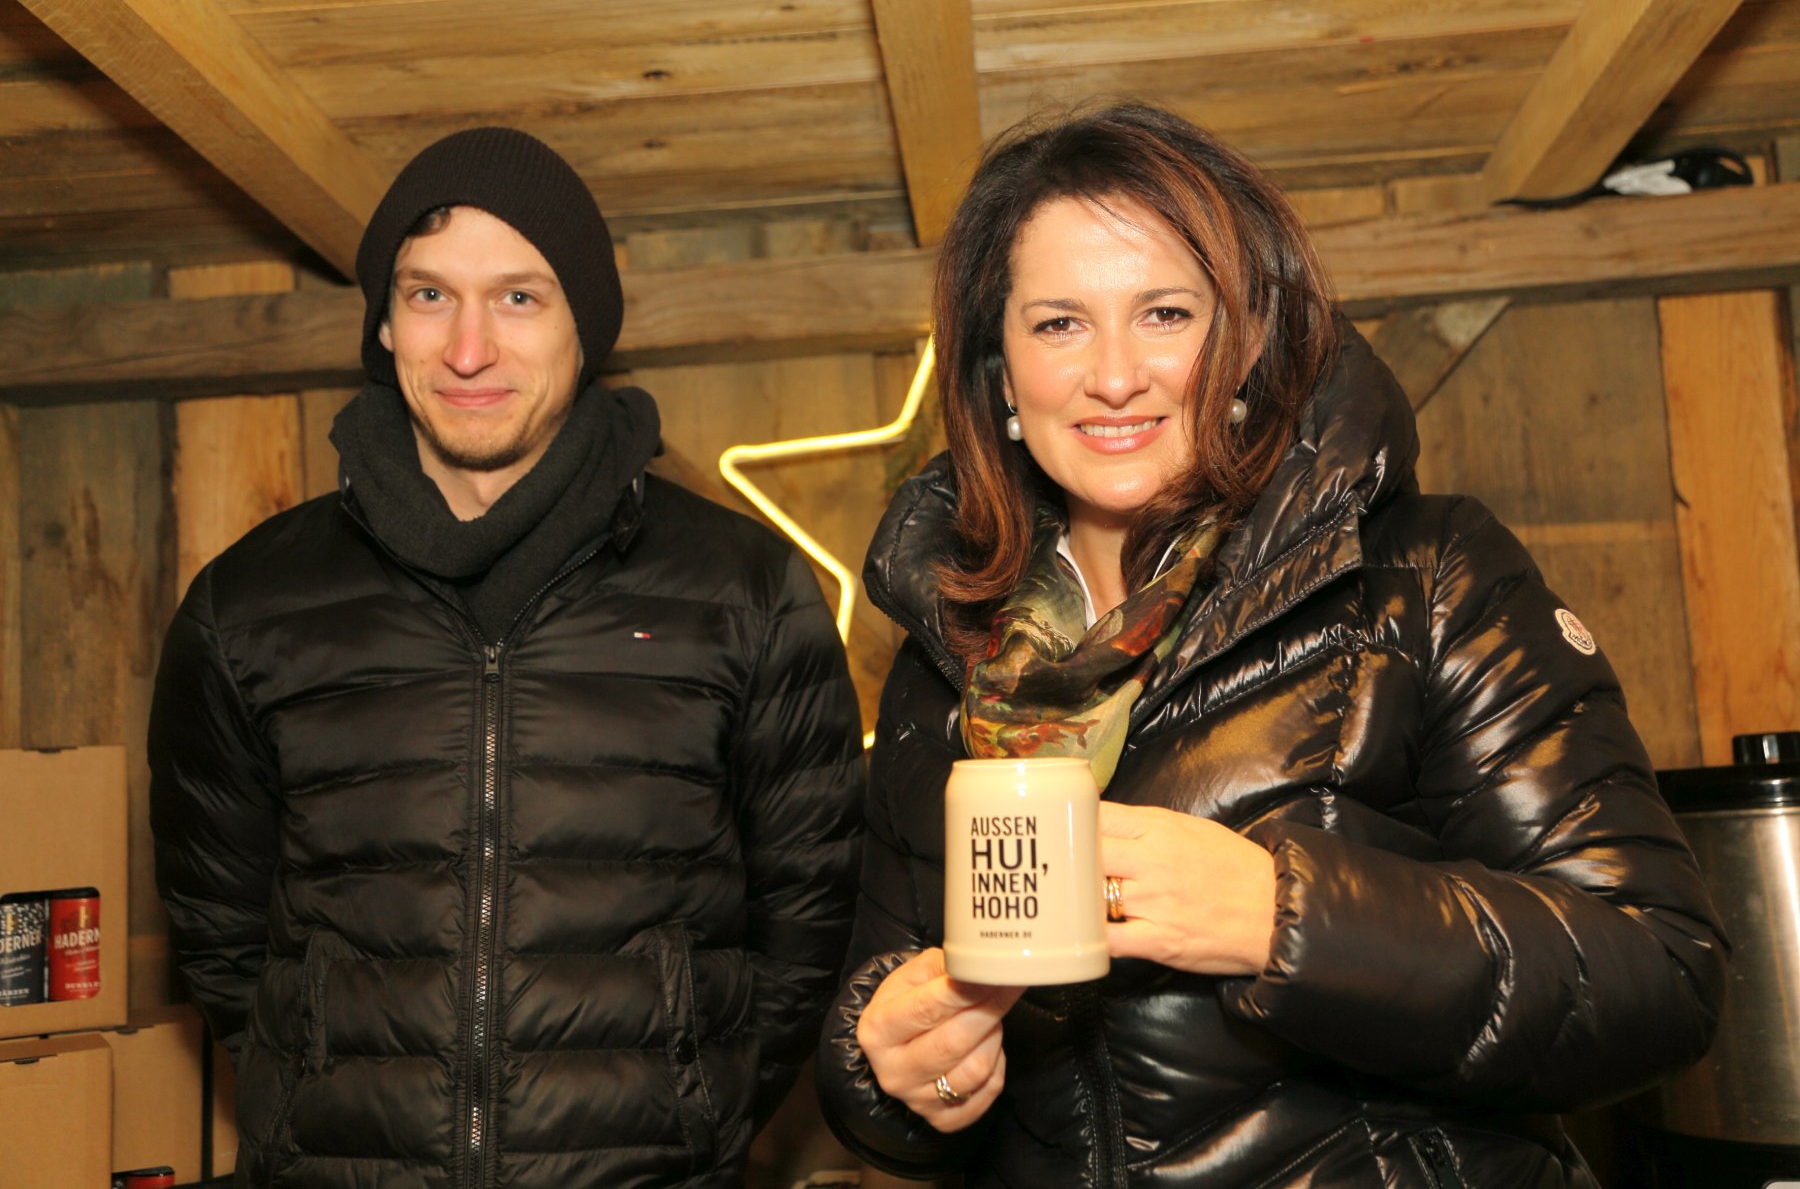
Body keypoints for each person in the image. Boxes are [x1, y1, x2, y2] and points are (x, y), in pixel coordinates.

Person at [815, 102, 1726, 1188]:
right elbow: (887, 1018)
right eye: (1059, 325)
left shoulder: (1424, 577)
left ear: (1247, 340)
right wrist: (889, 1075)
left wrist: (1281, 916)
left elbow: (1658, 977)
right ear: (1001, 375)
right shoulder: (947, 658)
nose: (1116, 375)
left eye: (1165, 313)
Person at [148, 126, 865, 1188]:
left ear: (586, 327)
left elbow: (810, 914)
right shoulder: (249, 605)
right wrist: (310, 1096)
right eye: (429, 295)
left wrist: (692, 1108)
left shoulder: (743, 591)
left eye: (519, 297)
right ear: (384, 324)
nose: (468, 348)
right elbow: (217, 926)